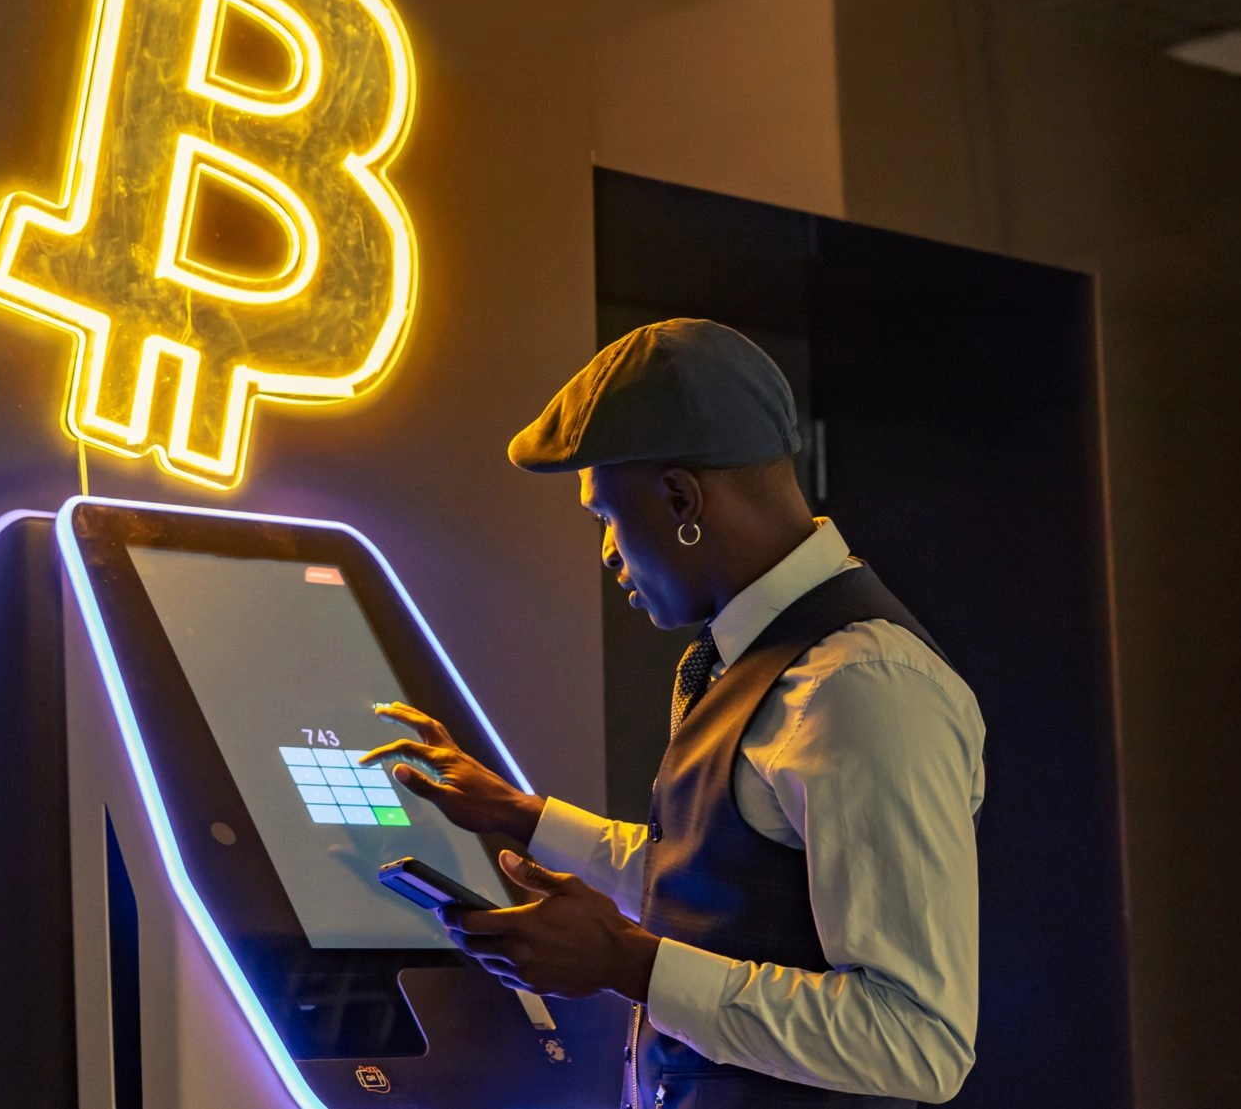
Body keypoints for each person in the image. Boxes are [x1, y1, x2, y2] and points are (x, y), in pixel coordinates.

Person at [362, 319, 984, 1107]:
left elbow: (917, 1039)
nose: (607, 553)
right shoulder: (744, 658)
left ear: (681, 497)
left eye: (606, 516)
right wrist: (518, 814)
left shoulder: (861, 683)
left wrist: (627, 962)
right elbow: (723, 889)